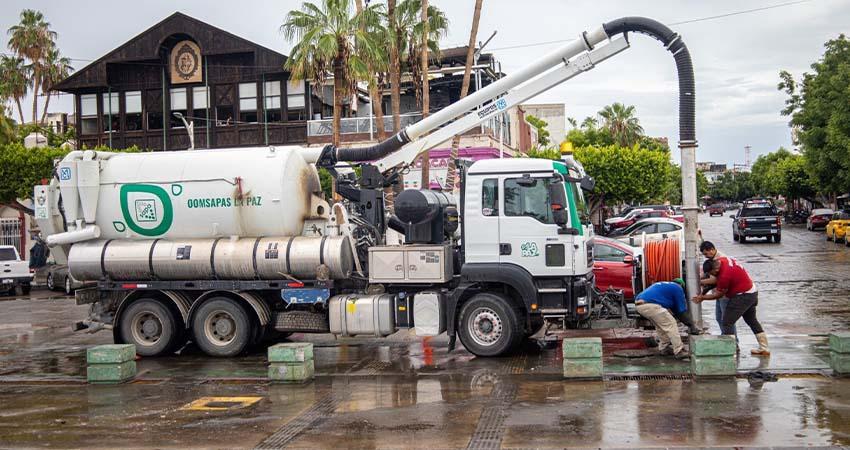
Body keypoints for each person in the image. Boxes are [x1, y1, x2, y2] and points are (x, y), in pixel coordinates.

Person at [693, 258, 770, 356]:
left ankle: (730, 351)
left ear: (715, 270)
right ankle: (764, 348)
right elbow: (715, 281)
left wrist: (703, 297)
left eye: (711, 273)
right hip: (751, 291)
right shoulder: (723, 260)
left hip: (743, 296)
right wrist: (703, 285)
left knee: (727, 322)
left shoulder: (724, 276)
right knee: (751, 320)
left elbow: (718, 295)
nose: (711, 275)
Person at [635, 278, 690, 359]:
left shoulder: (664, 285)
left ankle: (664, 348)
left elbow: (675, 309)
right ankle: (679, 351)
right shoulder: (677, 287)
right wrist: (690, 324)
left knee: (661, 326)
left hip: (639, 305)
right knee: (671, 324)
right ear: (682, 285)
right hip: (651, 305)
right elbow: (681, 311)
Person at [698, 241, 737, 340]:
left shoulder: (719, 260)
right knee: (719, 318)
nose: (706, 256)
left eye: (706, 254)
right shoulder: (712, 258)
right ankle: (726, 337)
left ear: (711, 249)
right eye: (704, 255)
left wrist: (700, 282)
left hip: (725, 293)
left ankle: (733, 341)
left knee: (727, 320)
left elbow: (714, 279)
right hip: (718, 291)